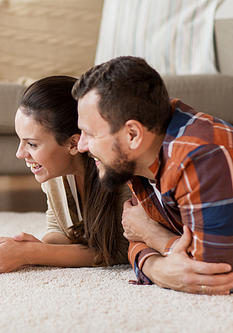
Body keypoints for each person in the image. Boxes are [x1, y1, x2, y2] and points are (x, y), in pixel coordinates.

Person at [72, 55, 233, 295]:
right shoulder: (140, 153)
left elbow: (212, 274)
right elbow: (132, 235)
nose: (81, 146)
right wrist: (157, 267)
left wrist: (151, 232)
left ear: (133, 134)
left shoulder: (200, 156)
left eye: (90, 134)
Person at [0, 76, 131, 273]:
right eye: (21, 140)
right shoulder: (55, 171)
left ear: (74, 144)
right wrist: (32, 247)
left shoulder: (119, 173)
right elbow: (60, 231)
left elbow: (121, 250)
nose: (20, 153)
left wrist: (33, 253)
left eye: (32, 144)